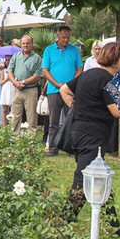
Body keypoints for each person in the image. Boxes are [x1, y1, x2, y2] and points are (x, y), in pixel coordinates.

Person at [60, 41, 120, 197]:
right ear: (114, 59)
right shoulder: (107, 80)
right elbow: (116, 112)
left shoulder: (88, 73)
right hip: (92, 136)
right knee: (84, 181)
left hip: (77, 132)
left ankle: (112, 220)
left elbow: (64, 90)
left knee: (98, 177)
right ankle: (64, 219)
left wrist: (77, 109)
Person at [42, 25, 83, 155]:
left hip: (70, 91)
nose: (66, 40)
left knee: (71, 119)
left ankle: (71, 148)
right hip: (54, 90)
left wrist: (71, 84)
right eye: (64, 37)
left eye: (68, 38)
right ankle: (53, 148)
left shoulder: (74, 49)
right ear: (57, 36)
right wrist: (56, 84)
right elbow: (45, 70)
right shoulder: (49, 50)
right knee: (53, 122)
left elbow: (79, 69)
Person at [7, 35, 43, 132]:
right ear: (20, 44)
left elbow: (38, 75)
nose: (25, 45)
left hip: (31, 90)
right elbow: (9, 71)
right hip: (17, 89)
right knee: (15, 116)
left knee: (31, 117)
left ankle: (31, 139)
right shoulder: (16, 56)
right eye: (23, 43)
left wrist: (23, 82)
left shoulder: (37, 59)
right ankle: (14, 138)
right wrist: (14, 82)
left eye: (28, 43)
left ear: (32, 44)